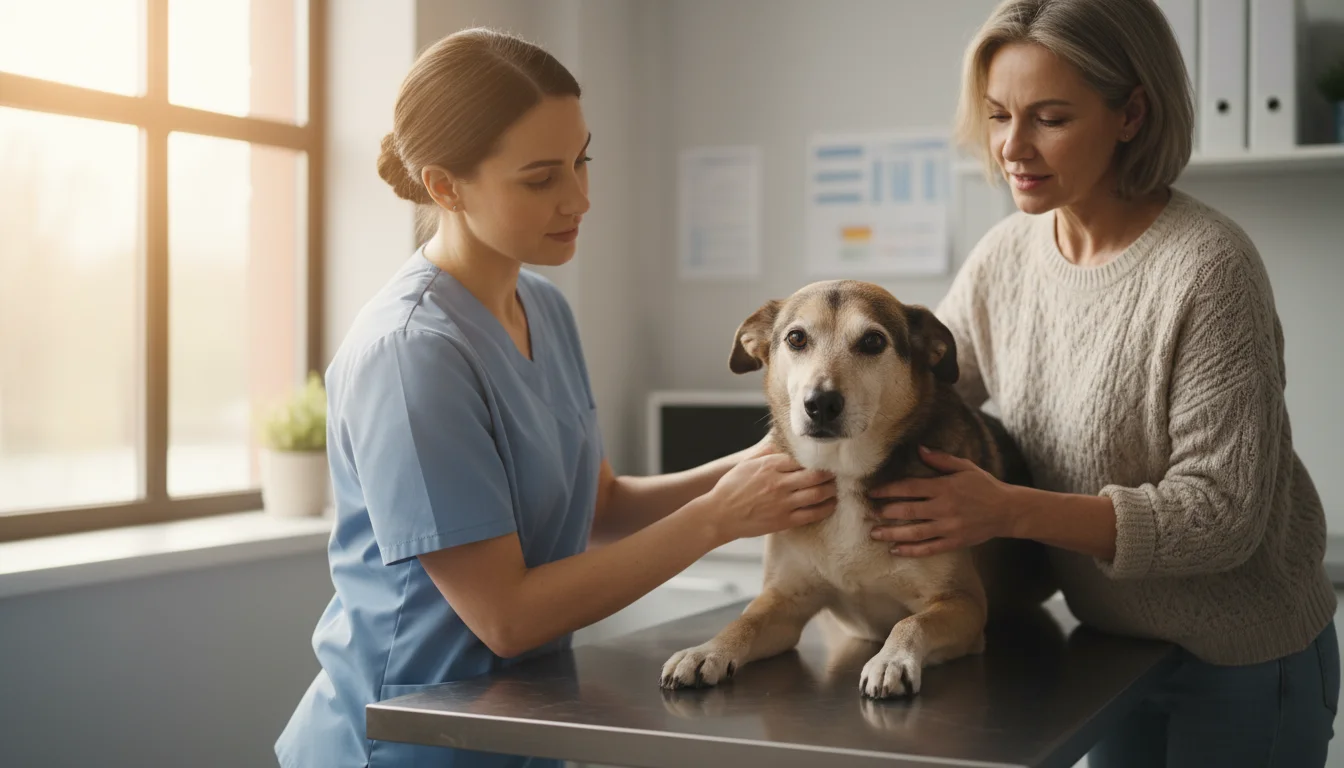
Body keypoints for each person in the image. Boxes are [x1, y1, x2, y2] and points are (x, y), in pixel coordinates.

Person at [275, 28, 837, 768]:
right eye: (541, 178)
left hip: (518, 728)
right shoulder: (411, 355)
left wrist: (768, 461)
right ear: (445, 187)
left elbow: (597, 504)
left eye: (582, 160)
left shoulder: (542, 306)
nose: (581, 197)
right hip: (404, 742)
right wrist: (718, 518)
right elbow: (505, 617)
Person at [866, 1, 1339, 765]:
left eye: (1049, 118)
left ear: (1132, 114)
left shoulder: (1209, 268)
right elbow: (922, 399)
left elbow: (1222, 515)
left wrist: (1008, 511)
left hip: (1245, 658)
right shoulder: (1005, 257)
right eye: (996, 116)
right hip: (1111, 651)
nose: (1012, 147)